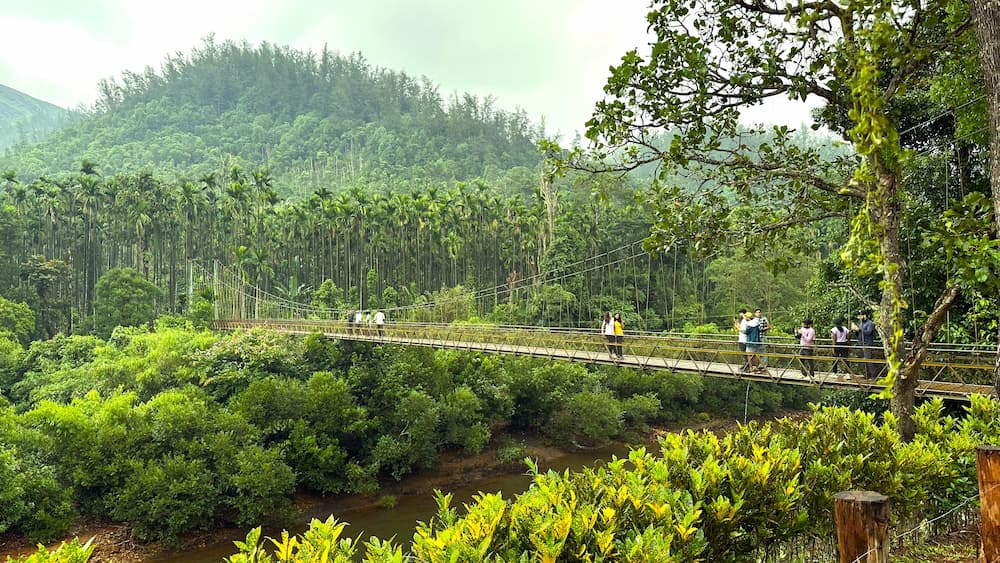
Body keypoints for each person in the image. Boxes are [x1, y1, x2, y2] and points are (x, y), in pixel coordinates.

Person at [851, 311, 877, 378]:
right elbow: (859, 334)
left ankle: (873, 376)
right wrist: (855, 331)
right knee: (863, 360)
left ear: (864, 315)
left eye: (860, 316)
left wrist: (858, 329)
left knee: (868, 360)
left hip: (867, 344)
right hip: (861, 343)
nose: (858, 318)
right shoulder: (861, 323)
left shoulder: (870, 323)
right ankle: (866, 375)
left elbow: (869, 332)